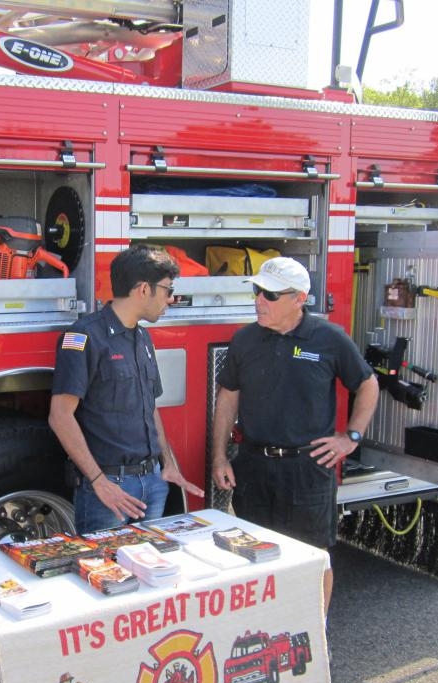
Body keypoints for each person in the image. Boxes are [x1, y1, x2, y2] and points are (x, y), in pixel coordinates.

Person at [211, 257, 379, 612]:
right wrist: (220, 457)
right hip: (254, 466)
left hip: (307, 470)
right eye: (257, 290)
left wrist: (351, 437)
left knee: (313, 558)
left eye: (270, 294)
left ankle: (315, 639)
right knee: (253, 556)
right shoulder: (244, 340)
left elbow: (367, 384)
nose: (259, 300)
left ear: (299, 298)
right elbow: (227, 399)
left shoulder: (329, 338)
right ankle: (265, 629)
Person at [49, 245, 203, 534]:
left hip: (153, 484)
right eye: (168, 290)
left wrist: (167, 465)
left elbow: (151, 407)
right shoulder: (82, 336)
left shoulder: (143, 337)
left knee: (147, 571)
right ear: (144, 289)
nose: (171, 299)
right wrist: (99, 483)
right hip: (109, 493)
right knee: (104, 573)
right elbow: (60, 416)